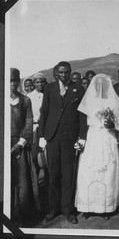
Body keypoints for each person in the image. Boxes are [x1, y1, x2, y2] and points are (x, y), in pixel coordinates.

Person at [38, 61, 87, 224]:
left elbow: (82, 115)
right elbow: (44, 112)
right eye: (61, 72)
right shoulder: (49, 88)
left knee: (68, 175)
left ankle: (68, 210)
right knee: (53, 174)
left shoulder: (78, 88)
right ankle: (53, 209)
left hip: (70, 138)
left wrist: (82, 137)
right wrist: (42, 136)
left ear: (70, 72)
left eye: (67, 72)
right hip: (52, 137)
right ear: (56, 73)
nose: (64, 75)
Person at [75, 74, 119, 220]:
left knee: (108, 171)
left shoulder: (113, 100)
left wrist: (114, 125)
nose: (100, 87)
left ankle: (107, 206)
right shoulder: (88, 101)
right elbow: (81, 121)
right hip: (92, 138)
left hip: (107, 137)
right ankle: (88, 206)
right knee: (89, 171)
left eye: (103, 84)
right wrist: (82, 139)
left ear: (108, 86)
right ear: (93, 86)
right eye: (97, 84)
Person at [10, 68, 34, 223]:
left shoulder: (25, 100)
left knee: (22, 180)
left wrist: (21, 143)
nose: (12, 84)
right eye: (10, 81)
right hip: (3, 145)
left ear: (19, 81)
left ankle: (23, 215)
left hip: (19, 144)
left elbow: (29, 122)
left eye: (15, 81)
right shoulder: (0, 99)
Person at [26, 72, 47, 216]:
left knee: (46, 164)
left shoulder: (48, 95)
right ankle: (38, 204)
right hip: (33, 130)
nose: (40, 85)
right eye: (37, 82)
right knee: (35, 164)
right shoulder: (29, 97)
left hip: (46, 130)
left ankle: (47, 201)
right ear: (34, 83)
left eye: (42, 82)